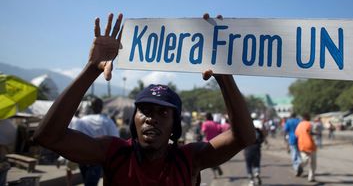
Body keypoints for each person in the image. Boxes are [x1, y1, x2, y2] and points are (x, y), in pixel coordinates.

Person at [34, 13, 256, 186]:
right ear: (134, 120)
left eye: (163, 112)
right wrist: (91, 69)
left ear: (174, 125)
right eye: (146, 111)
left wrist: (224, 76)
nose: (152, 118)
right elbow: (48, 137)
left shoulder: (188, 159)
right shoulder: (113, 152)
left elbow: (244, 137)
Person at [72, 97, 119, 186]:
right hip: (96, 159)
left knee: (87, 182)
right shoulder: (107, 121)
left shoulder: (82, 120)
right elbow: (116, 139)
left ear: (91, 107)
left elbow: (74, 137)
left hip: (82, 158)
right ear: (101, 107)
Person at [295, 113, 317, 182]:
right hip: (311, 145)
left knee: (305, 159)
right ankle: (311, 177)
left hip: (302, 145)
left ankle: (301, 166)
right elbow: (313, 132)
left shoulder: (299, 125)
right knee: (313, 162)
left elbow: (297, 134)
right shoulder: (310, 124)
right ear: (309, 118)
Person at [201, 112, 224, 178]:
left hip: (207, 143)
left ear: (206, 117)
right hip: (216, 142)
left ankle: (215, 174)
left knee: (208, 160)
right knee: (214, 158)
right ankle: (217, 167)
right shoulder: (215, 123)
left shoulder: (205, 123)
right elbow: (220, 130)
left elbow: (203, 132)